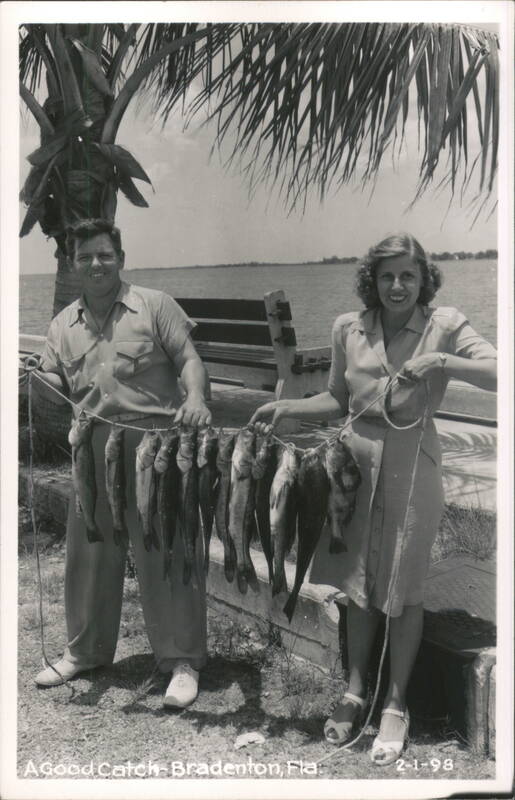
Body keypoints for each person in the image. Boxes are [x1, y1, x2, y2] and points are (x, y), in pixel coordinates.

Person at [250, 233, 497, 765]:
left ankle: (396, 704)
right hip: (351, 473)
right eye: (386, 276)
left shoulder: (446, 325)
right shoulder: (348, 327)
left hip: (414, 470)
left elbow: (502, 373)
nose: (397, 286)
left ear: (423, 277)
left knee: (404, 592)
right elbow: (338, 399)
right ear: (372, 280)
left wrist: (441, 363)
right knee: (358, 587)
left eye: (408, 274)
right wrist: (288, 409)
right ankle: (354, 691)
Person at [32, 218, 211, 710]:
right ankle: (85, 652)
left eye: (105, 255)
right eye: (85, 256)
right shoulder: (61, 324)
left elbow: (189, 358)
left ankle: (181, 660)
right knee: (89, 551)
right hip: (92, 449)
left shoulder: (155, 305)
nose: (95, 263)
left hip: (156, 449)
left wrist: (195, 396)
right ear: (73, 265)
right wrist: (35, 376)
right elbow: (52, 379)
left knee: (168, 551)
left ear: (121, 259)